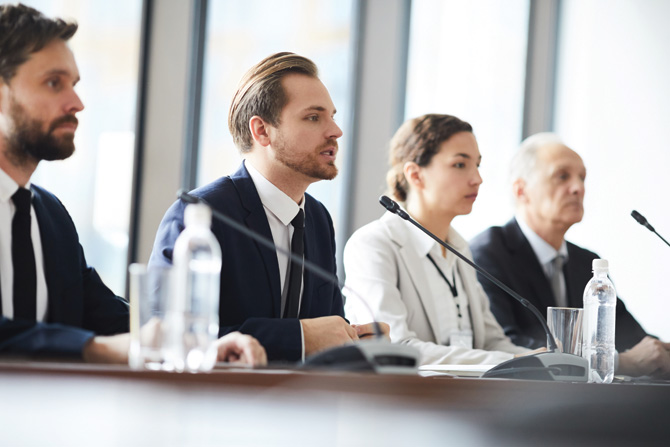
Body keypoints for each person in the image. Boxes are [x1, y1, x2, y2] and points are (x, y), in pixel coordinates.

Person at [0, 4, 266, 367]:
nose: (77, 103)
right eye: (53, 83)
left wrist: (197, 344)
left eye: (74, 85)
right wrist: (100, 349)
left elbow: (106, 316)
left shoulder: (50, 216)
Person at [149, 52, 381, 362]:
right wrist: (299, 338)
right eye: (314, 117)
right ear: (261, 131)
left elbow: (321, 331)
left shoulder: (318, 219)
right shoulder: (200, 214)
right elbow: (168, 335)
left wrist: (354, 341)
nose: (335, 131)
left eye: (333, 116)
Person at [470, 132, 670, 377]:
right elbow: (507, 346)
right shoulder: (487, 254)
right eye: (562, 176)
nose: (578, 188)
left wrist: (660, 354)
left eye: (582, 178)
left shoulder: (587, 262)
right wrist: (616, 361)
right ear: (521, 190)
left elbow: (634, 339)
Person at [343, 114, 528, 366]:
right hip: (407, 391)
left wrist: (538, 359)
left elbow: (492, 342)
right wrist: (512, 361)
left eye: (477, 165)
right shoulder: (374, 245)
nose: (477, 178)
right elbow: (395, 348)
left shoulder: (460, 248)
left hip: (468, 389)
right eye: (460, 165)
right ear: (415, 175)